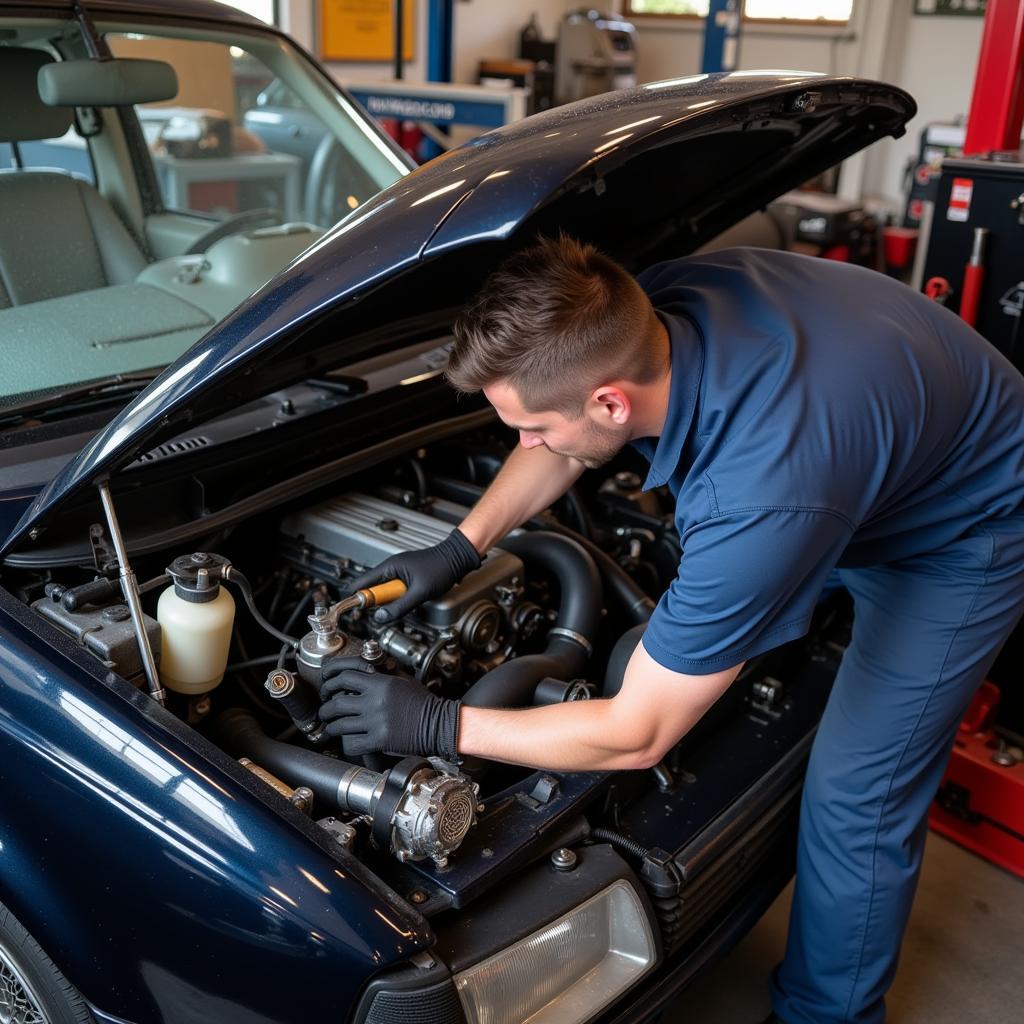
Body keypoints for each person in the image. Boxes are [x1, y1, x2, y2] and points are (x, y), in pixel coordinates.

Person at [318, 235, 1024, 1024]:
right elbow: (571, 443)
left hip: (963, 530)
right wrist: (460, 547)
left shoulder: (763, 494)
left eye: (532, 428)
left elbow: (637, 734)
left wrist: (439, 721)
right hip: (861, 453)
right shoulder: (646, 302)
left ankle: (827, 1016)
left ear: (611, 402)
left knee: (858, 794)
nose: (526, 444)